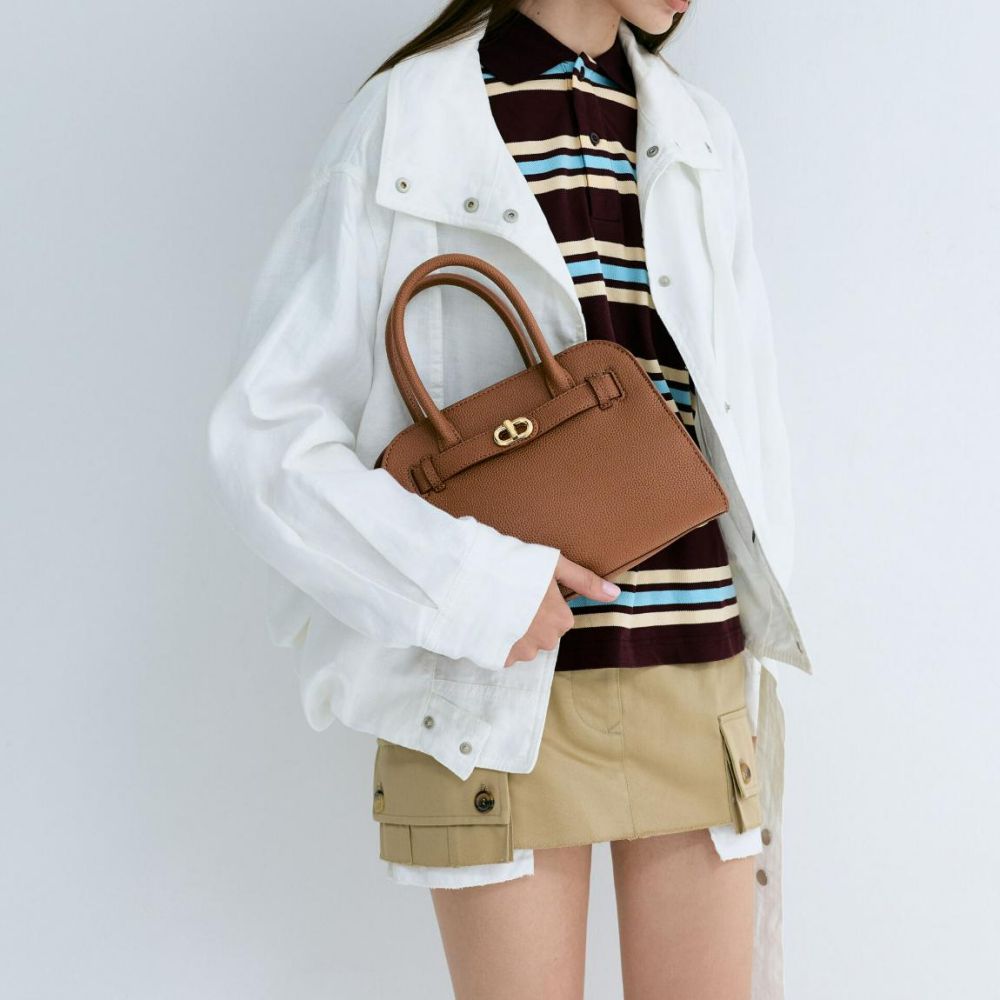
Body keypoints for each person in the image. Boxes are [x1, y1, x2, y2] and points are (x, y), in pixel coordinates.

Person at [206, 2, 814, 998]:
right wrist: (475, 587)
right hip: (491, 691)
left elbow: (740, 415)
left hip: (696, 671)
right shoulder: (408, 119)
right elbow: (267, 442)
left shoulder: (697, 131)